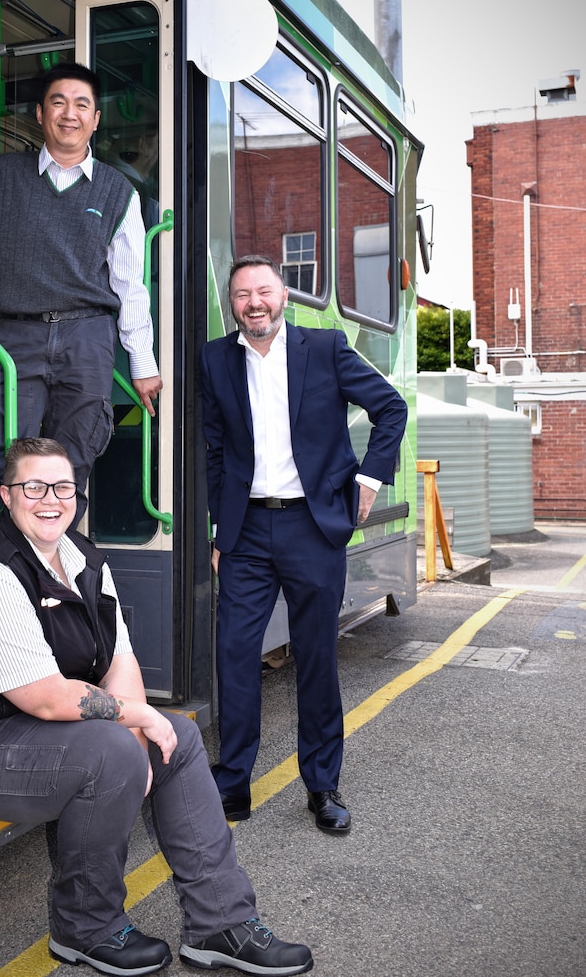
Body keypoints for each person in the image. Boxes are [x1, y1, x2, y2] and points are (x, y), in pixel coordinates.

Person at [0, 437, 313, 977]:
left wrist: (140, 731)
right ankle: (84, 929)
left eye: (63, 486)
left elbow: (120, 661)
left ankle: (221, 925)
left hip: (40, 737)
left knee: (176, 738)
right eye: (33, 487)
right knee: (118, 744)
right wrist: (134, 723)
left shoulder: (84, 559)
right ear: (6, 494)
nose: (51, 499)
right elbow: (45, 698)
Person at [200, 256, 408, 834]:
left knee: (316, 657)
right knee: (235, 657)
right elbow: (215, 452)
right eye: (242, 294)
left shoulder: (325, 348)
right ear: (233, 304)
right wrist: (221, 530)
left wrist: (368, 480)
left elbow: (391, 407)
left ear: (283, 294)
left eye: (263, 291)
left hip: (313, 529)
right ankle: (233, 783)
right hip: (246, 534)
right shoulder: (216, 359)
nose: (253, 303)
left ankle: (322, 786)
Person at [0, 63, 162, 517]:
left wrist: (142, 364)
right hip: (17, 336)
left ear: (95, 119)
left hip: (87, 339)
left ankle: (58, 576)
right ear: (40, 114)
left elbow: (129, 285)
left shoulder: (120, 192)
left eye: (82, 105)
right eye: (58, 102)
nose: (69, 114)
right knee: (7, 465)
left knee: (71, 467)